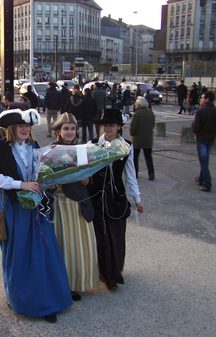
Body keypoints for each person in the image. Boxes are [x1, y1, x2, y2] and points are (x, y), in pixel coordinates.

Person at [0, 108, 73, 323]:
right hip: (13, 206)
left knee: (44, 251)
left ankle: (48, 300)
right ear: (12, 128)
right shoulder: (0, 147)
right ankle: (21, 300)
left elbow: (40, 173)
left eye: (27, 125)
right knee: (19, 254)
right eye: (20, 125)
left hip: (35, 206)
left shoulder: (34, 146)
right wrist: (20, 184)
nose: (25, 129)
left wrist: (49, 182)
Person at [87, 108, 144, 290]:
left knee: (116, 236)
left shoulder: (126, 146)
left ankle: (114, 270)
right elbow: (84, 170)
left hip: (117, 197)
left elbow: (130, 174)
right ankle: (105, 274)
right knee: (101, 237)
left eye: (111, 125)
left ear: (119, 126)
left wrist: (137, 198)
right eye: (104, 125)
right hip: (96, 196)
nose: (107, 128)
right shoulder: (93, 143)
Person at [48, 113, 100, 300]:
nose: (69, 132)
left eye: (72, 128)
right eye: (66, 128)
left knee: (77, 246)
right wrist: (52, 181)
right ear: (59, 131)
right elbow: (44, 180)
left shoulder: (83, 150)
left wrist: (74, 170)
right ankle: (63, 285)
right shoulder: (50, 150)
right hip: (58, 204)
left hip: (77, 204)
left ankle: (77, 282)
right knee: (61, 245)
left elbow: (86, 182)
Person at [191, 91, 216, 192]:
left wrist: (195, 130)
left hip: (201, 138)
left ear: (207, 100)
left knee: (203, 161)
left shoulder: (200, 112)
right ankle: (201, 178)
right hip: (211, 138)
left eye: (202, 98)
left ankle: (207, 182)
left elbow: (195, 127)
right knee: (205, 159)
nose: (201, 100)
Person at [130, 97, 156, 180]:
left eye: (136, 103)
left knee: (135, 157)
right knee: (148, 157)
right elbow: (153, 124)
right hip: (148, 138)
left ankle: (135, 173)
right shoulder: (150, 112)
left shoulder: (137, 113)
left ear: (139, 104)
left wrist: (132, 133)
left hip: (137, 138)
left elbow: (133, 127)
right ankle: (151, 173)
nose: (135, 104)